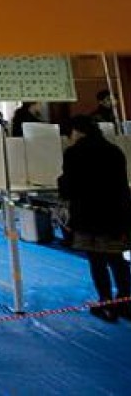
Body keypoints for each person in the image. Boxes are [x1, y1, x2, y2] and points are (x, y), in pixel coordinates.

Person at [57, 115, 131, 323]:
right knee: (117, 259)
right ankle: (126, 302)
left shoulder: (74, 153)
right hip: (116, 214)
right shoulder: (114, 151)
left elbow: (68, 187)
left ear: (76, 131)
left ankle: (106, 304)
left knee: (97, 261)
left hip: (88, 215)